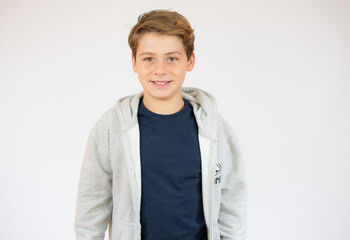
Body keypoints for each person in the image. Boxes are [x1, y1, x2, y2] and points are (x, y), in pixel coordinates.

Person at [74, 9, 247, 240]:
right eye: (148, 58)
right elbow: (92, 203)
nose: (160, 70)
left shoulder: (214, 128)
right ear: (134, 62)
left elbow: (232, 198)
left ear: (190, 61)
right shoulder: (112, 127)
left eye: (172, 58)